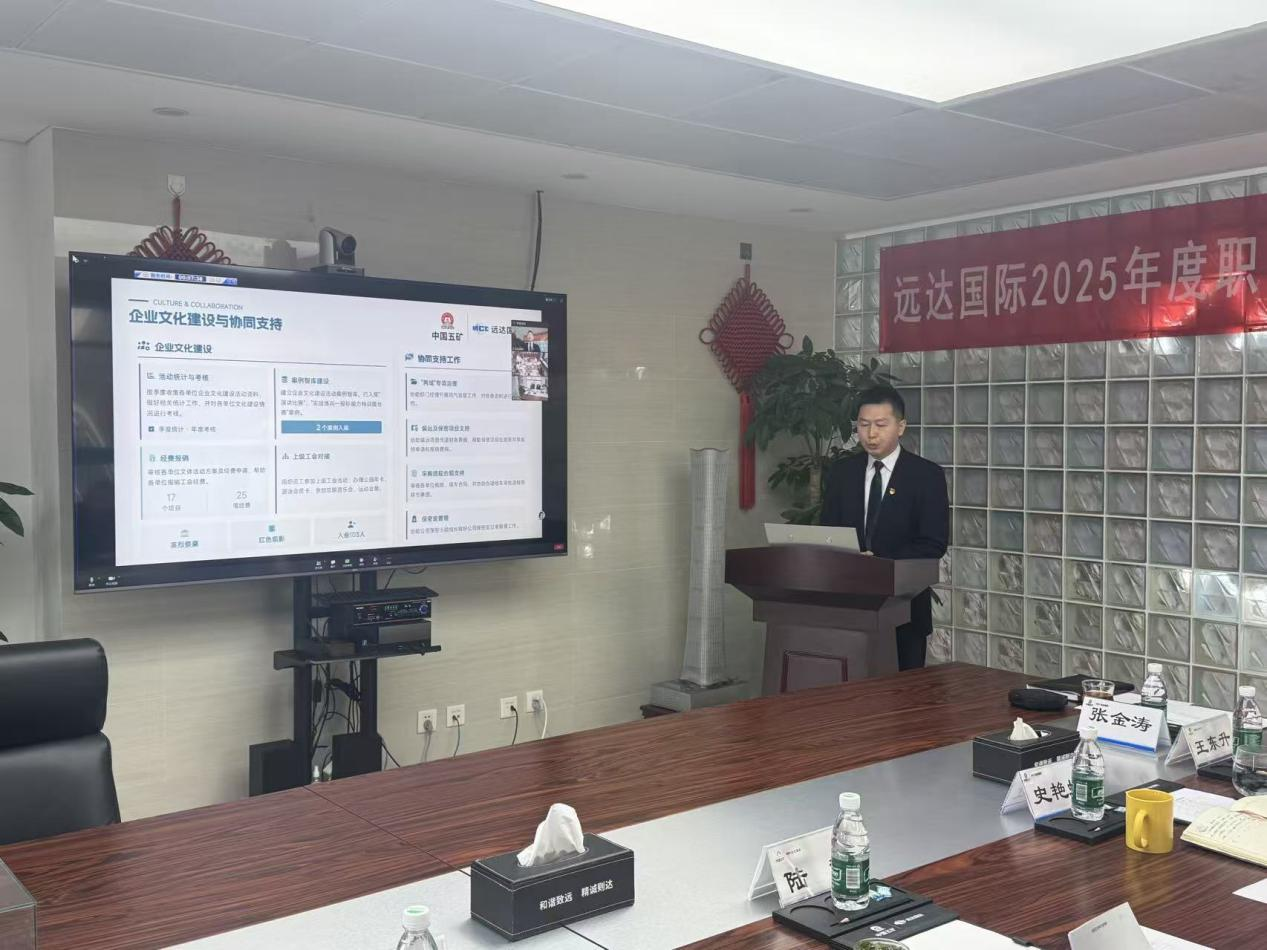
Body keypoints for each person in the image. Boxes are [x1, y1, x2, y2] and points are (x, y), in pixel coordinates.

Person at [820, 386, 949, 670]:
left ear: (900, 427)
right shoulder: (842, 473)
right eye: (863, 425)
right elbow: (827, 531)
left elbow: (933, 543)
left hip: (905, 609)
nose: (871, 434)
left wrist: (879, 562)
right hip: (849, 605)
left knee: (903, 692)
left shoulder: (926, 475)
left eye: (880, 425)